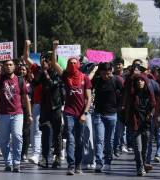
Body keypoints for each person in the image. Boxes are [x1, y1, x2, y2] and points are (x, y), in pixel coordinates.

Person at [51, 40, 92, 175]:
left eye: (75, 63)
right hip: (68, 112)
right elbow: (54, 64)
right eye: (70, 63)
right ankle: (71, 165)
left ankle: (78, 164)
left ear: (78, 64)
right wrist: (54, 49)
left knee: (80, 140)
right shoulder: (65, 76)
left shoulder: (84, 78)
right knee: (70, 138)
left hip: (81, 113)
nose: (73, 65)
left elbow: (89, 97)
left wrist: (85, 113)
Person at [23, 40, 64, 168]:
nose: (43, 62)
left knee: (57, 133)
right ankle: (45, 157)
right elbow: (26, 59)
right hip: (44, 106)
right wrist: (27, 46)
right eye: (41, 59)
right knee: (45, 132)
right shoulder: (39, 71)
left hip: (56, 107)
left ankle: (57, 156)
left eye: (46, 60)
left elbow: (53, 83)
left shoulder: (57, 72)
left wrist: (54, 49)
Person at [0, 59, 32, 172]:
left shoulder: (20, 80)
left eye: (10, 65)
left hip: (17, 113)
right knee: (4, 140)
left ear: (14, 67)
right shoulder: (0, 79)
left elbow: (25, 98)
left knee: (17, 137)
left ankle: (16, 162)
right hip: (2, 114)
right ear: (3, 67)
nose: (8, 67)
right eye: (6, 65)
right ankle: (8, 162)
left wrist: (29, 114)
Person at [90, 62, 123, 172]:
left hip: (112, 114)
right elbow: (87, 84)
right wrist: (94, 71)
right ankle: (99, 162)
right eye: (104, 73)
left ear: (111, 71)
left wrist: (120, 106)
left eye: (108, 74)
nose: (106, 76)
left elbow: (125, 93)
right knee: (99, 139)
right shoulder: (97, 80)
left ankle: (108, 161)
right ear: (100, 72)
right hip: (98, 114)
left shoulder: (116, 80)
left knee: (109, 141)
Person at [125, 74, 156, 176]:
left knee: (145, 148)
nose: (140, 82)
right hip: (135, 124)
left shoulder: (149, 94)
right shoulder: (132, 94)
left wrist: (150, 114)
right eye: (138, 81)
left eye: (142, 80)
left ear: (145, 82)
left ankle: (143, 164)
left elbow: (153, 106)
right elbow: (128, 82)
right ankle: (140, 168)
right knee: (138, 148)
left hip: (146, 125)